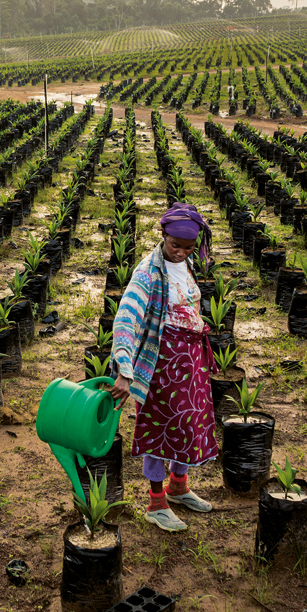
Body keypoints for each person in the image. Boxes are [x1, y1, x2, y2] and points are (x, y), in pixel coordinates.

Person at [110, 202, 218, 532]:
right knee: (162, 428)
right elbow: (127, 317)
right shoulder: (148, 272)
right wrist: (125, 369)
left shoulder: (186, 264)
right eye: (176, 245)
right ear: (163, 236)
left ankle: (179, 486)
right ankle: (156, 503)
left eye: (189, 247)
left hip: (191, 359)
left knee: (191, 425)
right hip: (163, 363)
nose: (182, 253)